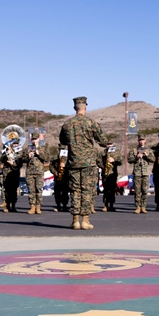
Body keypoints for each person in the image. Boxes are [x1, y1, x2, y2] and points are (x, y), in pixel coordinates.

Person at [59, 96, 108, 230]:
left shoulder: (67, 124)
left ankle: (75, 221)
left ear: (75, 108)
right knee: (86, 191)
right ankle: (85, 220)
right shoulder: (91, 123)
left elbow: (62, 141)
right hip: (88, 163)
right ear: (85, 107)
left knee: (75, 191)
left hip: (73, 162)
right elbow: (103, 141)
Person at [24, 133, 50, 214]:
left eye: (36, 139)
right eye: (33, 139)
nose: (34, 141)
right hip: (30, 172)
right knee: (31, 190)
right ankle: (32, 206)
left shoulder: (43, 148)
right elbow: (22, 159)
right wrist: (28, 156)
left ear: (38, 139)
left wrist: (39, 154)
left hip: (39, 172)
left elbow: (47, 158)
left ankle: (38, 207)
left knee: (38, 189)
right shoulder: (28, 149)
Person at [127, 134, 152, 214]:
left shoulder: (148, 150)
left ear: (145, 140)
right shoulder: (134, 150)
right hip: (137, 173)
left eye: (143, 140)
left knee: (145, 190)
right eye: (140, 140)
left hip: (145, 173)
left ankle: (143, 206)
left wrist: (147, 156)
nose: (141, 141)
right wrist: (136, 157)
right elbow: (129, 160)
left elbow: (153, 159)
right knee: (137, 191)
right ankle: (138, 206)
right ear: (138, 141)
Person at [0, 134, 25, 212]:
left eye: (16, 144)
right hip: (7, 173)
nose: (15, 145)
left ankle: (13, 205)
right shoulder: (8, 150)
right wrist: (7, 153)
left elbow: (20, 163)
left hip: (15, 173)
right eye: (14, 144)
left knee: (14, 190)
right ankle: (7, 205)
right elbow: (2, 159)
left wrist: (13, 163)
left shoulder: (20, 153)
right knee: (7, 190)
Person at [100, 144, 121, 212]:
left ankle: (111, 205)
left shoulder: (116, 152)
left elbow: (120, 161)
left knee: (112, 190)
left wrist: (114, 160)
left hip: (112, 174)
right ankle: (105, 205)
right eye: (108, 144)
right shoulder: (103, 152)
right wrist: (103, 166)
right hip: (105, 173)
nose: (109, 146)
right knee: (105, 190)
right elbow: (98, 161)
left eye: (110, 144)